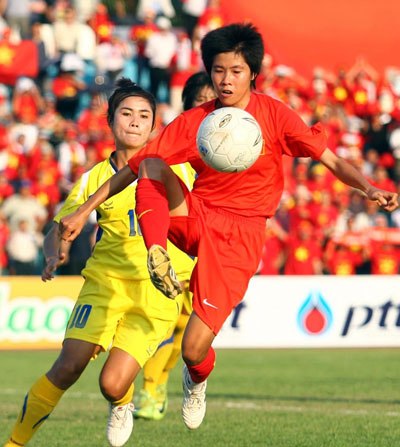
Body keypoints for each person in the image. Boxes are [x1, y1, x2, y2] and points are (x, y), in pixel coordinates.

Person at [58, 23, 399, 431]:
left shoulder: (275, 114)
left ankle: (196, 381)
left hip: (243, 233)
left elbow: (329, 160)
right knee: (151, 164)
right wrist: (83, 211)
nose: (225, 79)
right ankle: (157, 251)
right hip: (198, 212)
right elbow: (133, 168)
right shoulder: (198, 120)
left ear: (252, 73)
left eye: (235, 71)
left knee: (193, 348)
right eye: (218, 70)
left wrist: (368, 187)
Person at [3, 79, 195, 447]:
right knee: (68, 365)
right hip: (105, 282)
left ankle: (120, 402)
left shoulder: (182, 169)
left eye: (144, 116)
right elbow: (61, 226)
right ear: (109, 122)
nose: (136, 122)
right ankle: (13, 443)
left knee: (112, 383)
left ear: (155, 125)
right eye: (127, 113)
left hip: (157, 291)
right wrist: (52, 251)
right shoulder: (93, 178)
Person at [134, 71, 216, 421]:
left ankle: (163, 383)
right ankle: (148, 393)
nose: (209, 109)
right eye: (201, 102)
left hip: (208, 255)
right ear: (189, 109)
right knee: (162, 328)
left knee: (187, 333)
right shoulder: (172, 151)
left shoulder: (228, 154)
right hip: (172, 256)